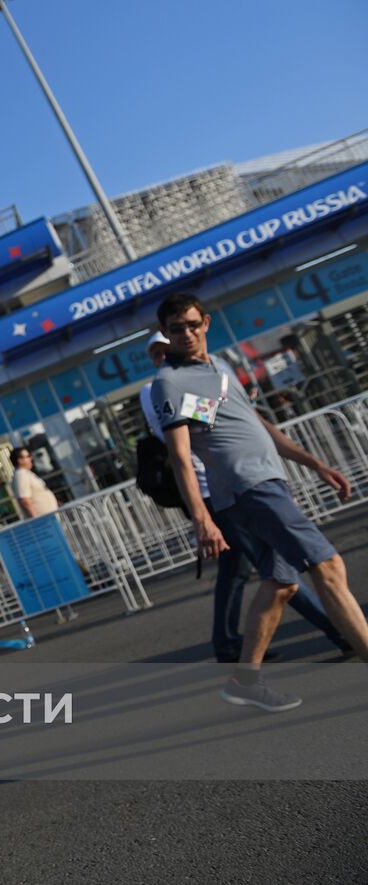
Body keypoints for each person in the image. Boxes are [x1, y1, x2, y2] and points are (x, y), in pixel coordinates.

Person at [151, 292, 368, 711]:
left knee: (282, 584)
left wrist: (315, 463)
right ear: (166, 334)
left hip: (266, 482)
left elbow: (257, 425)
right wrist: (201, 518)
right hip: (247, 488)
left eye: (193, 325)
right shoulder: (170, 382)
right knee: (327, 565)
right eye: (177, 329)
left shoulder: (220, 368)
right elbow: (180, 455)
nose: (187, 334)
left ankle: (245, 681)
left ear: (206, 323)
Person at [140, 331, 349, 664]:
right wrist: (202, 517)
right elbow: (196, 430)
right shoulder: (157, 388)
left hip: (234, 487)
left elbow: (227, 417)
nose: (163, 357)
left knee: (239, 570)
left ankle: (227, 646)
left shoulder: (209, 372)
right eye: (156, 354)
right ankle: (341, 632)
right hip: (220, 492)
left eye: (167, 349)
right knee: (281, 575)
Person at [9, 447, 59, 518]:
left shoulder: (26, 474)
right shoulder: (20, 475)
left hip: (50, 517)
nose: (31, 458)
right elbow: (25, 501)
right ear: (20, 460)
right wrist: (37, 519)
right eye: (28, 456)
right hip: (44, 521)